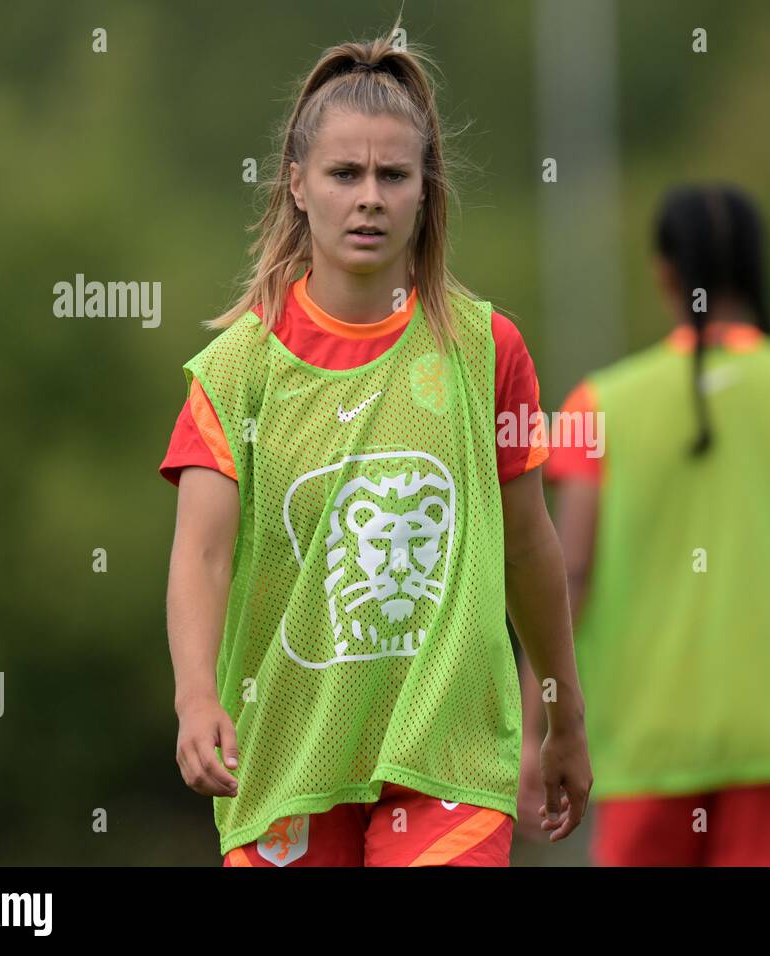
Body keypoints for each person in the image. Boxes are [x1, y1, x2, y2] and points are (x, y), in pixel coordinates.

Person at [161, 23, 590, 867]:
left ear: (425, 191)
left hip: (450, 756)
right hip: (288, 759)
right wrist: (197, 695)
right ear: (296, 186)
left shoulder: (486, 349)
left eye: (394, 175)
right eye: (344, 174)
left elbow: (529, 545)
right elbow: (202, 555)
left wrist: (564, 713)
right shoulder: (233, 372)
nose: (370, 197)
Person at [529, 184, 770, 866]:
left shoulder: (597, 405)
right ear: (757, 267)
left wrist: (533, 726)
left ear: (664, 271)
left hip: (643, 747)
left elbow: (567, 577)